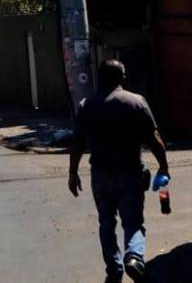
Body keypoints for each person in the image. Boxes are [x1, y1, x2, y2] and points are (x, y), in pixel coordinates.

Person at [68, 59, 170, 283]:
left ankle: (113, 269)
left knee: (106, 223)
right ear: (122, 77)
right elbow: (154, 139)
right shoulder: (136, 102)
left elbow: (77, 142)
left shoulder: (87, 105)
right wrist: (163, 166)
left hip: (101, 176)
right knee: (132, 222)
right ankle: (133, 257)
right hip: (130, 174)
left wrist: (72, 173)